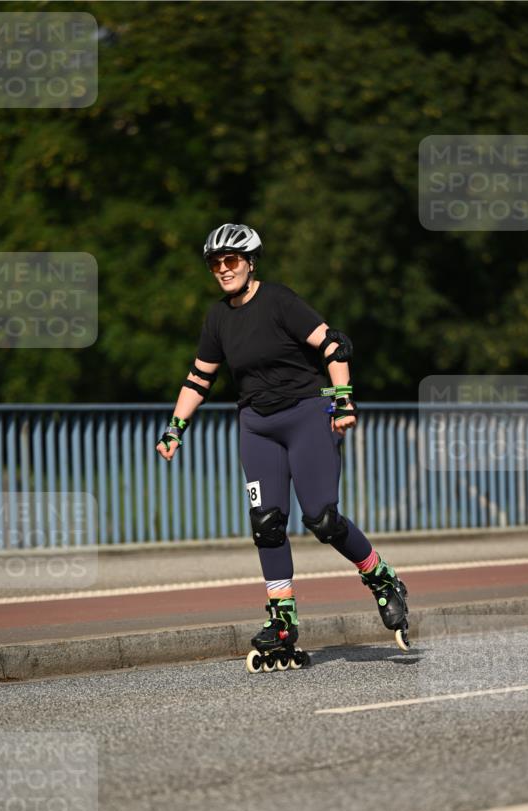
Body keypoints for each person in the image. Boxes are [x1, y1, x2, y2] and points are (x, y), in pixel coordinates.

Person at [156, 223, 409, 671]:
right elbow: (199, 378)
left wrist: (343, 401)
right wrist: (175, 429)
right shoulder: (217, 318)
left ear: (250, 261)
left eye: (231, 260)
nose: (223, 269)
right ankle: (283, 620)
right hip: (256, 425)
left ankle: (381, 577)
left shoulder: (278, 300)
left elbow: (334, 345)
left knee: (322, 518)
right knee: (267, 522)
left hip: (306, 415)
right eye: (216, 263)